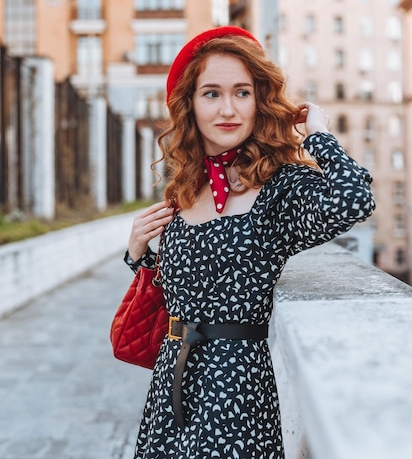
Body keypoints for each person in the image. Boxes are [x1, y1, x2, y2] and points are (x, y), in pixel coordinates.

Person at [124, 26, 375, 459]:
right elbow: (180, 290)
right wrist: (138, 253)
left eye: (242, 92)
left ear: (260, 101)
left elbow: (353, 200)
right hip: (172, 381)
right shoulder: (186, 188)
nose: (228, 109)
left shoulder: (280, 186)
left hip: (237, 388)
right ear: (190, 105)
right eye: (211, 94)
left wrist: (317, 134)